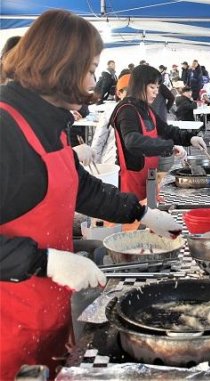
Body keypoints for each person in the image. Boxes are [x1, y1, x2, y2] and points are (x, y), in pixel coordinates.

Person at [0, 10, 184, 380]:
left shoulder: (52, 121)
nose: (92, 83)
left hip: (49, 310)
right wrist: (45, 262)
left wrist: (140, 211)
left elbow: (79, 186)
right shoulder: (5, 128)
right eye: (89, 70)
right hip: (7, 321)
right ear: (61, 67)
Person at [110, 64, 207, 200]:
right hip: (132, 182)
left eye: (157, 87)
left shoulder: (146, 109)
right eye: (152, 87)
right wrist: (167, 147)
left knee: (151, 211)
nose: (156, 92)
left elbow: (166, 130)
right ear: (139, 86)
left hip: (149, 176)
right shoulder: (127, 110)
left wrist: (190, 138)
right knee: (136, 218)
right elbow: (132, 141)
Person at [91, 72, 131, 164]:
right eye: (128, 92)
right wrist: (96, 167)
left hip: (135, 168)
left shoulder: (145, 112)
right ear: (119, 93)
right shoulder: (110, 112)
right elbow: (99, 141)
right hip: (112, 164)